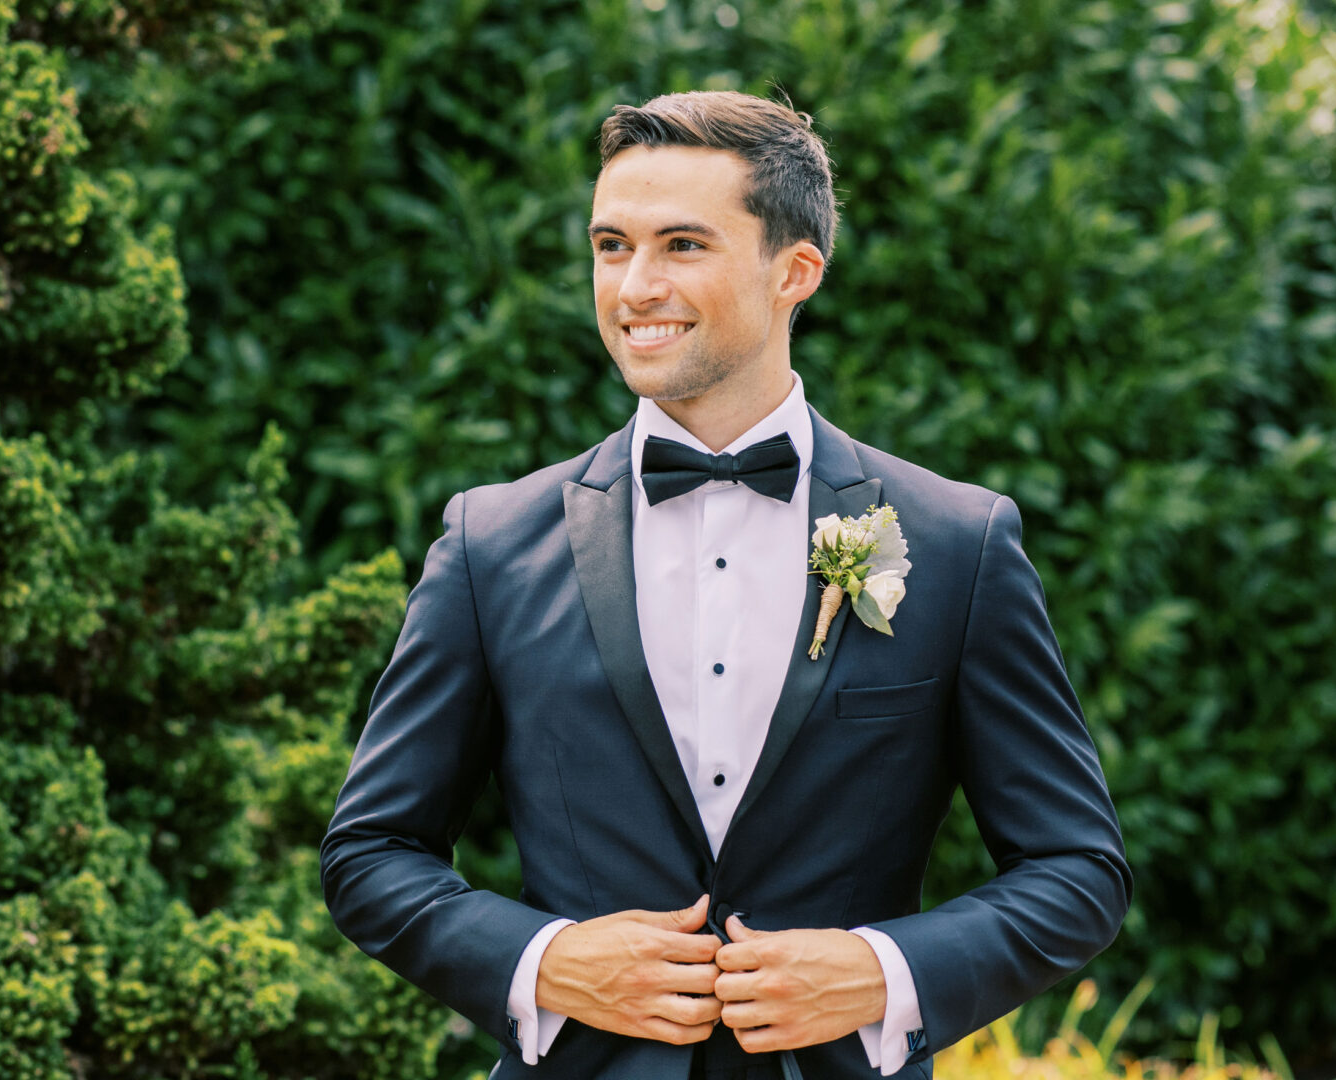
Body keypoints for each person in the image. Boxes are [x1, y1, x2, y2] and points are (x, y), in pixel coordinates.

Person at [321, 90, 1131, 1080]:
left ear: (795, 271)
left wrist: (882, 972)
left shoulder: (957, 544)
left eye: (683, 246)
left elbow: (1077, 872)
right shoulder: (489, 544)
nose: (633, 286)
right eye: (611, 245)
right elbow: (371, 852)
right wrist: (545, 962)